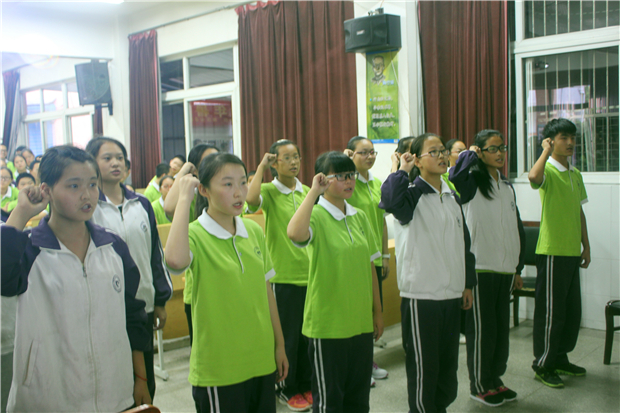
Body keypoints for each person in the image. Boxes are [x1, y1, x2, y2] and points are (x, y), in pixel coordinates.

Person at [1, 145, 151, 412]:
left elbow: (134, 315)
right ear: (46, 190)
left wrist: (140, 378)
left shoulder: (112, 246)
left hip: (114, 394)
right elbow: (3, 279)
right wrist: (21, 213)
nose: (86, 195)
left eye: (92, 184)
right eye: (73, 186)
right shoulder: (29, 250)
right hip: (49, 397)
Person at [165, 152, 288, 413]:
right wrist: (184, 197)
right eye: (228, 184)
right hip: (219, 369)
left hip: (260, 359)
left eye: (243, 182)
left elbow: (266, 291)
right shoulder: (195, 234)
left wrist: (279, 344)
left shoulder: (253, 230)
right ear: (204, 190)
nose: (238, 192)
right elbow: (175, 261)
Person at [380, 133, 476, 413]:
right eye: (433, 152)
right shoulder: (411, 195)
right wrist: (401, 170)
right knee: (425, 366)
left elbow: (464, 243)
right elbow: (390, 201)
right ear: (417, 160)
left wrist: (467, 284)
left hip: (451, 294)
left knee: (447, 368)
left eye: (443, 150)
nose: (442, 156)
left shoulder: (450, 195)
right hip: (421, 297)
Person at [288, 151, 383, 413]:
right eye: (340, 176)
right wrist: (313, 193)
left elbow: (370, 266)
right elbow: (294, 233)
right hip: (328, 325)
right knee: (330, 400)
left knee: (358, 398)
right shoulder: (315, 215)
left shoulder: (359, 216)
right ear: (323, 179)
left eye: (351, 175)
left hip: (359, 322)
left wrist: (377, 311)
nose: (349, 181)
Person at [86, 137, 172, 401]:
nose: (116, 163)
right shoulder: (88, 208)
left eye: (120, 158)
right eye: (107, 158)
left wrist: (159, 300)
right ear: (92, 164)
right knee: (112, 383)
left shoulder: (141, 204)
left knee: (144, 382)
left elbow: (154, 254)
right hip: (104, 308)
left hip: (142, 304)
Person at [449, 130, 525, 406]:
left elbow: (515, 227)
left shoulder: (506, 186)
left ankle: (495, 379)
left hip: (505, 269)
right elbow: (455, 176)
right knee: (482, 331)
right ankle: (479, 384)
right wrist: (470, 155)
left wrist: (517, 267)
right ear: (480, 152)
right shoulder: (470, 183)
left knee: (500, 331)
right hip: (481, 267)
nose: (500, 153)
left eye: (502, 147)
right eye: (493, 149)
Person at [246, 140, 313, 411]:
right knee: (288, 338)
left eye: (296, 156)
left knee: (307, 335)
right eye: (287, 157)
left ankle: (306, 383)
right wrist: (262, 166)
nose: (294, 162)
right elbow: (250, 201)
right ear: (275, 162)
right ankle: (287, 387)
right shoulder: (269, 190)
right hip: (284, 276)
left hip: (309, 273)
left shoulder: (307, 190)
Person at [527, 118, 590, 388]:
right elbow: (533, 178)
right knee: (551, 313)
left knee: (570, 312)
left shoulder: (575, 174)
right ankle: (543, 364)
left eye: (572, 137)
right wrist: (544, 151)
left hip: (571, 252)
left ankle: (560, 357)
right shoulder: (549, 170)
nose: (570, 142)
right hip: (552, 251)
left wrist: (586, 246)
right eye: (564, 138)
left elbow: (579, 211)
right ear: (552, 142)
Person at [344, 136, 390, 386]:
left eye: (372, 152)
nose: (370, 157)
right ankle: (357, 367)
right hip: (354, 258)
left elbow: (381, 221)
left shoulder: (377, 183)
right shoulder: (347, 184)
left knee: (373, 312)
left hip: (374, 258)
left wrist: (385, 254)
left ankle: (368, 362)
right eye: (364, 152)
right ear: (350, 154)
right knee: (356, 313)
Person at [164, 144, 219, 349]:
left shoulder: (225, 193)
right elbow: (169, 207)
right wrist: (186, 168)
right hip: (199, 290)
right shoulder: (192, 196)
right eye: (208, 161)